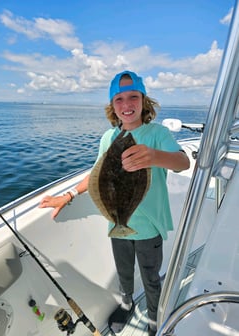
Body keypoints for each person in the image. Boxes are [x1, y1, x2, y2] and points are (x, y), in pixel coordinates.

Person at [39, 70, 190, 336]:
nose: (127, 104)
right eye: (119, 99)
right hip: (117, 220)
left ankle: (154, 318)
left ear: (144, 101)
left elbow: (183, 162)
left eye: (133, 96)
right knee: (123, 272)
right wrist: (69, 195)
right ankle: (127, 302)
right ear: (112, 105)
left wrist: (154, 156)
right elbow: (97, 173)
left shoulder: (157, 134)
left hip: (149, 227)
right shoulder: (108, 138)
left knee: (150, 277)